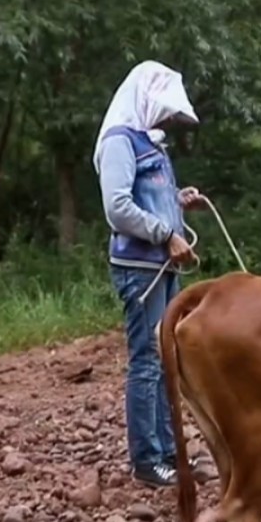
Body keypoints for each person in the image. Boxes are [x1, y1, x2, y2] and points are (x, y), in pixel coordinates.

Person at [92, 60, 205, 488]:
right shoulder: (120, 142)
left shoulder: (148, 143)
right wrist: (165, 234)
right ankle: (147, 460)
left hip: (161, 265)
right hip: (141, 269)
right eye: (163, 109)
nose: (166, 118)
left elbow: (148, 195)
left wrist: (178, 200)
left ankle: (168, 452)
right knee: (147, 360)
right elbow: (118, 208)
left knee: (167, 359)